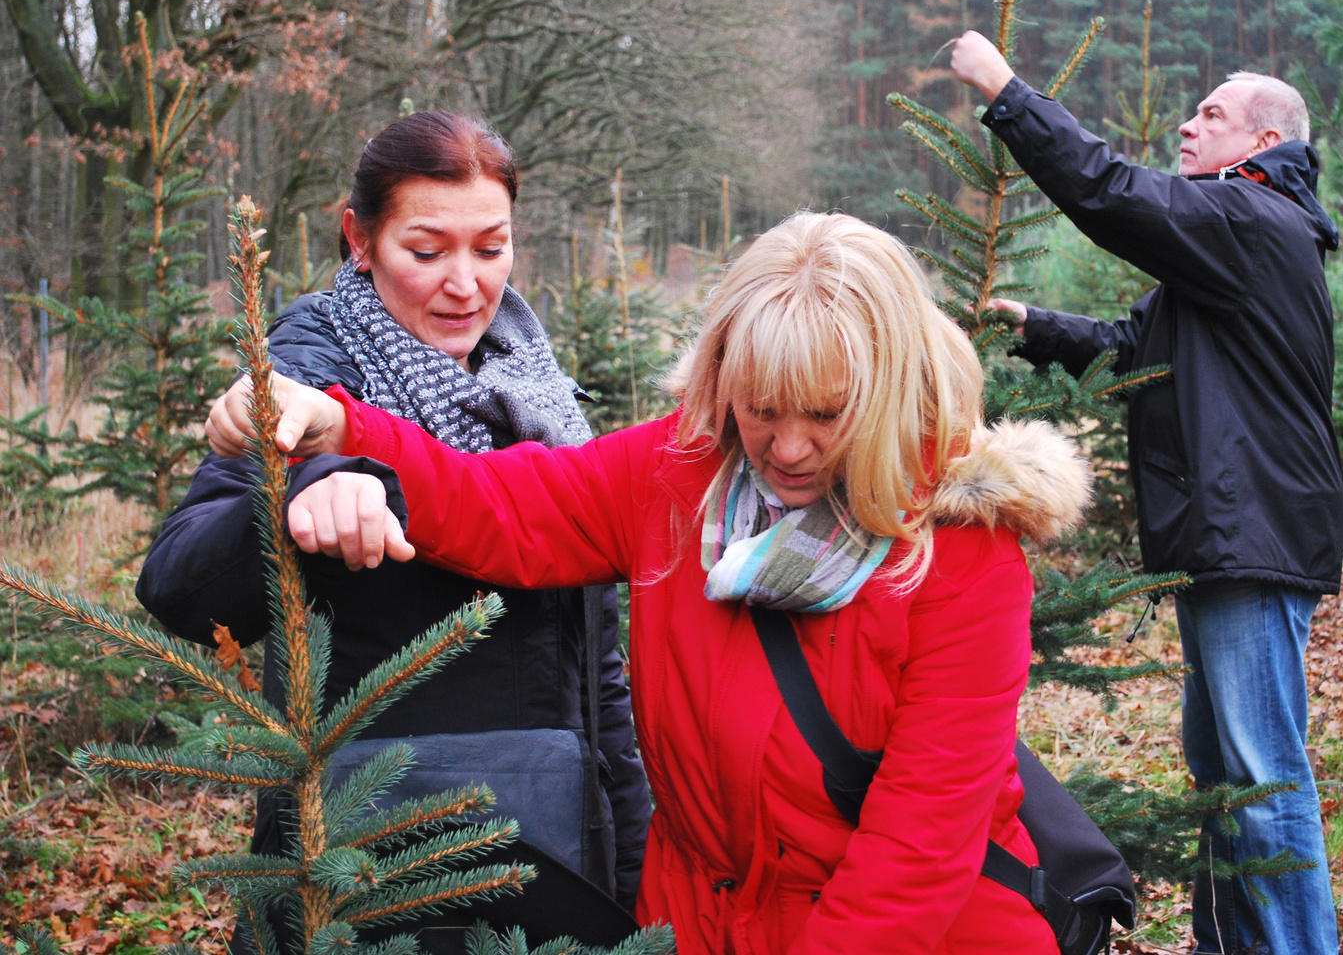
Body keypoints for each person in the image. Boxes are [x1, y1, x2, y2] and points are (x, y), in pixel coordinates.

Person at [205, 211, 1095, 955]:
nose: (785, 448)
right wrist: (337, 424)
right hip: (700, 922)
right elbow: (506, 507)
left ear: (890, 389)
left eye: (827, 415)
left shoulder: (959, 554)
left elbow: (918, 848)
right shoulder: (680, 473)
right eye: (760, 407)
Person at [137, 112, 652, 948]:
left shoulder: (532, 380)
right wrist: (311, 485)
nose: (464, 285)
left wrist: (628, 862)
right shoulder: (307, 372)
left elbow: (595, 665)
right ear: (359, 238)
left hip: (553, 852)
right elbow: (178, 586)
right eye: (426, 250)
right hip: (370, 866)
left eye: (490, 248)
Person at [949, 31, 1343, 955]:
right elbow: (1135, 352)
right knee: (1223, 771)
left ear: (1261, 142)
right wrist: (1036, 326)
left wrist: (1008, 94)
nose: (1185, 123)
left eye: (1209, 114)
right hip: (1229, 532)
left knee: (1258, 774)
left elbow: (1108, 193)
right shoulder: (1231, 242)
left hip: (1251, 532)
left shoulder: (1251, 220)